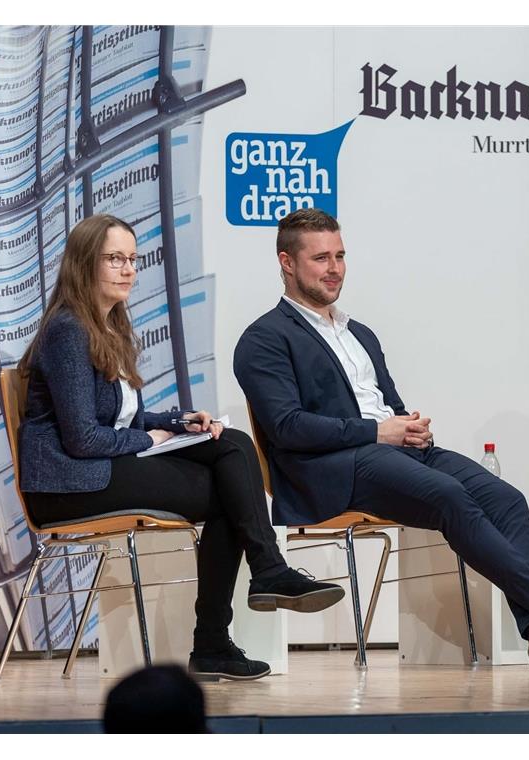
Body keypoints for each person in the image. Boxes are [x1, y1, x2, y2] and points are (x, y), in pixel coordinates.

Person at [233, 208, 529, 671]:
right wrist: (377, 431)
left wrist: (407, 426)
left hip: (393, 450)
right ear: (287, 263)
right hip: (330, 469)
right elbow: (286, 428)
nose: (335, 269)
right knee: (448, 496)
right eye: (321, 258)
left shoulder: (358, 332)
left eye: (341, 256)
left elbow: (387, 404)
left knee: (506, 498)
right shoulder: (264, 338)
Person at [17, 213, 344, 682]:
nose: (127, 269)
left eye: (132, 259)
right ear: (84, 264)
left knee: (229, 443)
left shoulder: (108, 325)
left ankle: (259, 582)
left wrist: (178, 422)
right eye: (114, 259)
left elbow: (119, 416)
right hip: (69, 482)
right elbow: (83, 437)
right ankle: (228, 619)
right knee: (229, 493)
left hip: (101, 465)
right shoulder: (68, 330)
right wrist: (150, 439)